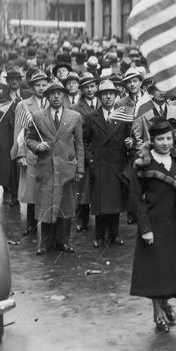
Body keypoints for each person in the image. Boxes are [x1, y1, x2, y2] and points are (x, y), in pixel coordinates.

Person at [130, 120, 176, 334]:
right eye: (160, 139)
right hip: (154, 225)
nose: (165, 143)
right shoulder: (142, 164)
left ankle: (165, 302)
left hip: (175, 224)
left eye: (168, 139)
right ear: (152, 140)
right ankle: (157, 311)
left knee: (170, 269)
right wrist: (145, 228)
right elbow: (136, 200)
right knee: (155, 270)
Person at [27, 80, 84, 254]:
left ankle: (63, 241)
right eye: (52, 94)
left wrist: (80, 168)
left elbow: (79, 145)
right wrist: (37, 146)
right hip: (46, 167)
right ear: (47, 97)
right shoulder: (38, 117)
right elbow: (29, 139)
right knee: (46, 203)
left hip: (67, 168)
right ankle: (45, 242)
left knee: (65, 205)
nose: (56, 97)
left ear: (64, 95)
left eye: (60, 93)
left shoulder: (74, 117)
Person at [83, 80, 133, 248]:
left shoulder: (124, 115)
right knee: (99, 203)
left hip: (117, 165)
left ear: (116, 95)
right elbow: (84, 140)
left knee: (115, 203)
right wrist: (90, 159)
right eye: (104, 94)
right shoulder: (92, 117)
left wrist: (129, 142)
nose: (108, 97)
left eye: (111, 93)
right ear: (100, 97)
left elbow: (130, 136)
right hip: (99, 165)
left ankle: (114, 235)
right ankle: (99, 235)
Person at [13, 70, 49, 236]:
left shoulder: (54, 102)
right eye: (37, 85)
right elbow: (19, 133)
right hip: (31, 153)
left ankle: (49, 225)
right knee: (32, 191)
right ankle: (31, 224)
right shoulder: (23, 105)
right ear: (32, 87)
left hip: (49, 153)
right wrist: (20, 154)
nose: (41, 88)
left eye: (44, 85)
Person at [0, 68, 31, 207]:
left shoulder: (28, 95)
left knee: (25, 165)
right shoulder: (0, 98)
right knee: (11, 166)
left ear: (20, 80)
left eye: (16, 79)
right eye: (11, 79)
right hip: (8, 136)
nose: (14, 82)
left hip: (25, 134)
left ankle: (28, 197)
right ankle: (14, 196)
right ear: (7, 81)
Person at [70, 72, 101, 233]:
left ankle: (101, 219)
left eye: (92, 86)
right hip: (83, 148)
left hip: (101, 150)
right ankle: (82, 220)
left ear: (96, 87)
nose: (90, 90)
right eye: (86, 87)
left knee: (100, 185)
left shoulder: (103, 103)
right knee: (83, 188)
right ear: (81, 89)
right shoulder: (75, 108)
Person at [132, 82, 176, 155]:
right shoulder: (142, 110)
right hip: (150, 157)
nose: (161, 93)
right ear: (152, 92)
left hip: (171, 156)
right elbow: (137, 138)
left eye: (164, 90)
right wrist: (143, 155)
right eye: (158, 89)